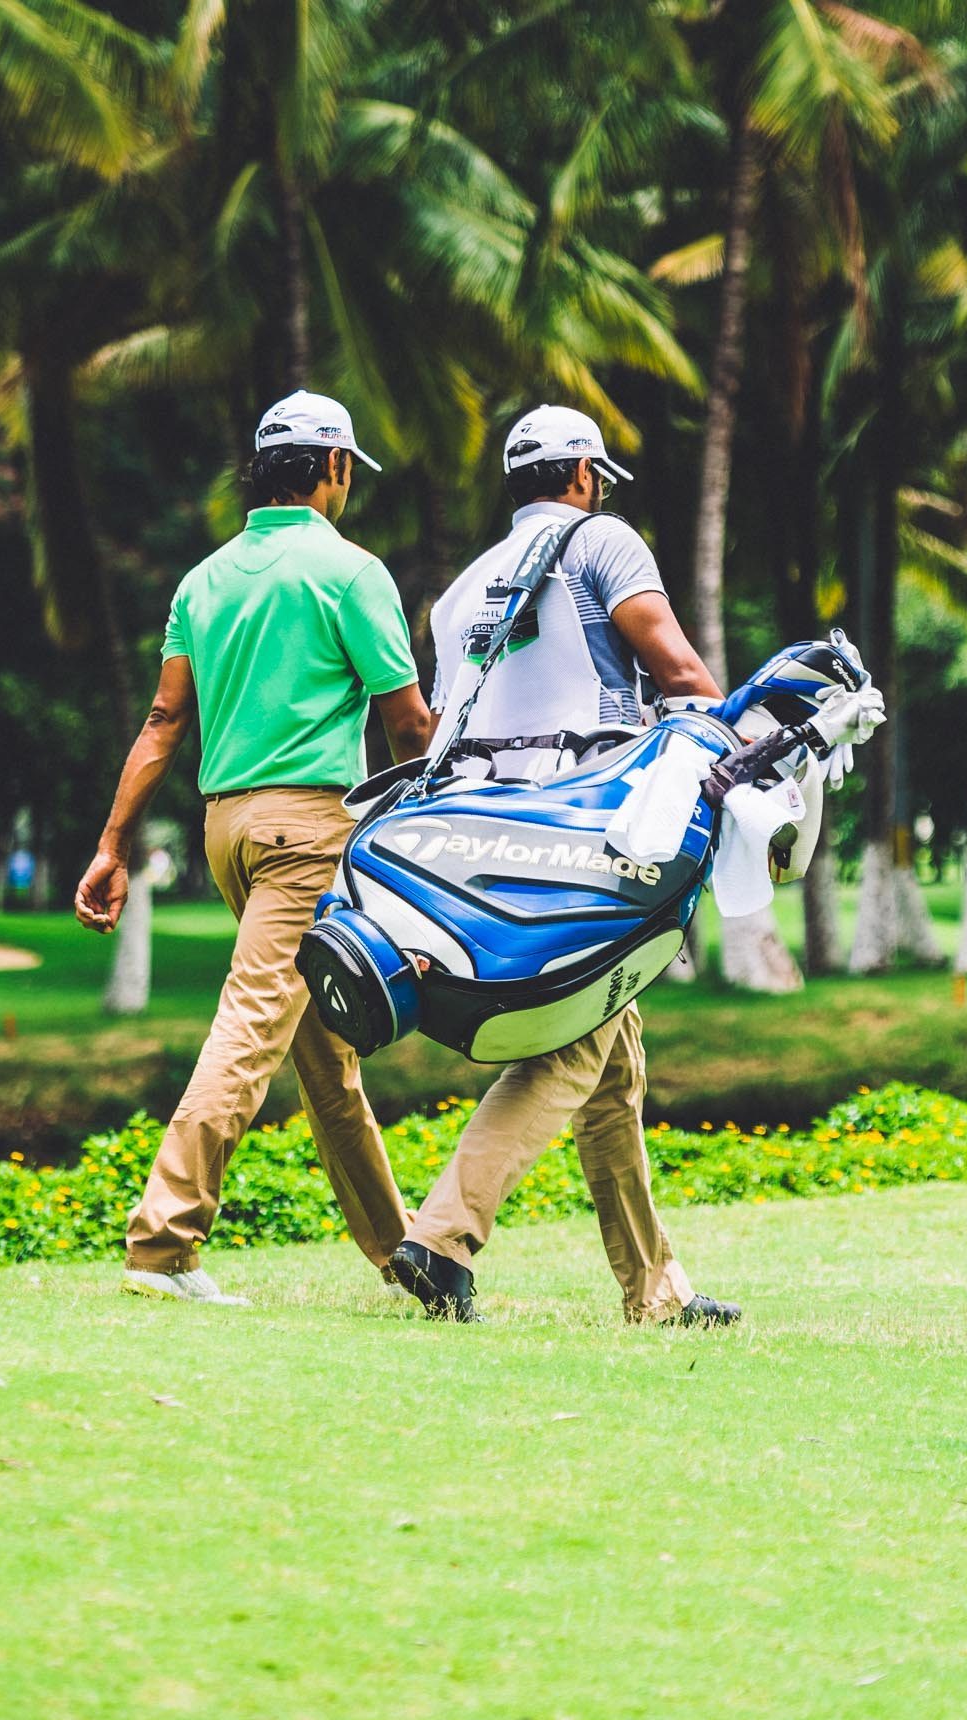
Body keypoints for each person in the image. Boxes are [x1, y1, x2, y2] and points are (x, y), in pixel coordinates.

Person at [386, 404, 742, 1329]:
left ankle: (656, 1293)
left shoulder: (462, 590)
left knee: (613, 1072)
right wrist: (735, 752)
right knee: (576, 1038)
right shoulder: (603, 541)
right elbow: (676, 668)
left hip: (483, 838)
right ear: (584, 475)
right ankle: (442, 1238)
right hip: (588, 831)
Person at [75, 391, 433, 1305]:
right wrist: (432, 827)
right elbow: (406, 720)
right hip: (309, 833)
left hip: (226, 832)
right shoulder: (352, 573)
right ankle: (163, 1243)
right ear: (333, 469)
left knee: (324, 1059)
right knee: (249, 1029)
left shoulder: (204, 580)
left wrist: (112, 846)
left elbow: (161, 725)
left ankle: (409, 1262)